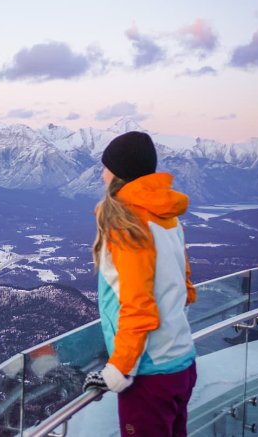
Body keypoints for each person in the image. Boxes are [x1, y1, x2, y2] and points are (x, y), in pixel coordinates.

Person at [82, 131, 198, 437]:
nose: (101, 172)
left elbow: (138, 306)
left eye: (105, 166)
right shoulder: (166, 217)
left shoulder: (126, 225)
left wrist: (117, 370)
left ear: (119, 172)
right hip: (181, 361)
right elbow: (184, 287)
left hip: (149, 373)